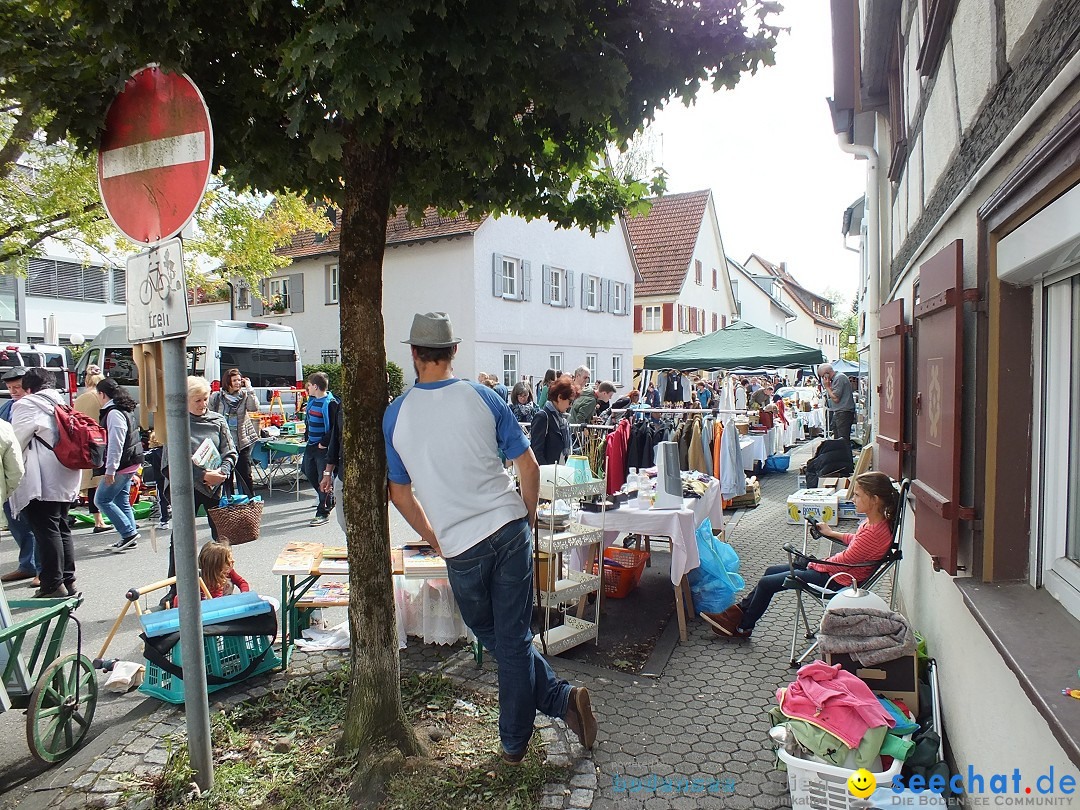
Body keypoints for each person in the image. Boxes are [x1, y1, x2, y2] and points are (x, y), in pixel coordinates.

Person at [385, 312, 596, 763]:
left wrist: (432, 535)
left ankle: (516, 741)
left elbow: (399, 494)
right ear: (454, 351)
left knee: (498, 636)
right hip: (507, 526)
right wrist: (527, 512)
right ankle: (558, 702)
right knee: (512, 638)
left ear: (414, 354)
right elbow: (529, 466)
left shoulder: (396, 415)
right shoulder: (483, 396)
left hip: (460, 543)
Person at [703, 471, 898, 639]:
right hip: (838, 572)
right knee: (771, 571)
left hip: (837, 580)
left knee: (767, 583)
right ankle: (736, 617)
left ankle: (743, 626)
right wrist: (831, 533)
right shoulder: (874, 524)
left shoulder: (873, 532)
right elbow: (855, 540)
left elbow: (845, 560)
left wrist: (812, 564)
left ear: (874, 499)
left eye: (857, 495)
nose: (852, 499)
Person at [160, 376, 237, 606]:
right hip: (188, 489)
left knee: (222, 539)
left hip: (216, 487)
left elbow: (230, 452)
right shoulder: (177, 423)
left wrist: (222, 472)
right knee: (181, 540)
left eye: (205, 399)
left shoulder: (217, 420)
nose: (203, 404)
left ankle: (224, 582)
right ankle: (175, 588)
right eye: (197, 400)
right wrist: (202, 476)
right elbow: (171, 463)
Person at [10, 368, 82, 598]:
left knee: (46, 529)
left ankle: (52, 584)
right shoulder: (61, 403)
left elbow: (15, 441)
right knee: (61, 527)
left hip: (42, 479)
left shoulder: (27, 404)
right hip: (66, 474)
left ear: (29, 388)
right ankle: (67, 580)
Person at [94, 378, 144, 552]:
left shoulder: (113, 412)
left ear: (102, 394)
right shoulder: (123, 408)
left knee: (101, 499)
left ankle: (128, 533)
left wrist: (110, 469)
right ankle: (129, 536)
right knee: (121, 500)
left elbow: (116, 442)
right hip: (131, 461)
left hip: (123, 464)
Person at [0, 367, 39, 585]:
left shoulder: (35, 407)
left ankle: (40, 570)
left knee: (35, 523)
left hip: (30, 471)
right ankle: (27, 564)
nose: (14, 391)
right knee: (16, 522)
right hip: (9, 473)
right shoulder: (7, 407)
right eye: (9, 388)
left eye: (17, 387)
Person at [208, 368, 260, 496]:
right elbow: (209, 414)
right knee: (226, 475)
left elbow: (254, 408)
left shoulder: (244, 395)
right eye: (234, 380)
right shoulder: (217, 397)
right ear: (228, 382)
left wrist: (250, 389)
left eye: (239, 380)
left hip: (241, 442)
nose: (237, 383)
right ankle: (229, 503)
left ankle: (249, 501)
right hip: (223, 442)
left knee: (245, 474)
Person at [301, 372, 340, 527]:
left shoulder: (331, 403)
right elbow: (309, 421)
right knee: (307, 470)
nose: (307, 389)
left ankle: (322, 512)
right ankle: (328, 498)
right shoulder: (311, 401)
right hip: (311, 444)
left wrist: (324, 443)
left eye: (309, 386)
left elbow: (334, 428)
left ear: (315, 386)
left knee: (322, 478)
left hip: (323, 448)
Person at [73, 368, 109, 533]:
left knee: (89, 481)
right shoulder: (101, 398)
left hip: (82, 442)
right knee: (99, 481)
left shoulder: (79, 398)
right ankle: (100, 519)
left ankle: (98, 519)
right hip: (100, 441)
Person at [530, 374, 575, 466]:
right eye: (570, 401)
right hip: (548, 474)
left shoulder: (562, 419)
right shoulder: (542, 417)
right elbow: (536, 451)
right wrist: (547, 473)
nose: (570, 405)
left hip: (560, 471)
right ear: (560, 397)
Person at [818, 362, 856, 447]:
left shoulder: (839, 378)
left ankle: (845, 458)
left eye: (823, 376)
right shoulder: (836, 378)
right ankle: (839, 456)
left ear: (827, 373)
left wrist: (827, 387)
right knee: (837, 438)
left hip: (843, 412)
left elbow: (835, 398)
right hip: (839, 411)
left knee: (842, 439)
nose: (823, 379)